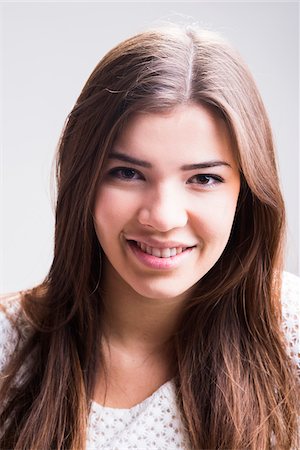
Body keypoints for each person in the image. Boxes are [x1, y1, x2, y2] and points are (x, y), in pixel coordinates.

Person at [0, 23, 299, 450]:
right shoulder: (9, 347)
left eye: (204, 178)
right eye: (128, 173)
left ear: (246, 194)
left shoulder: (290, 332)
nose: (162, 216)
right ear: (83, 181)